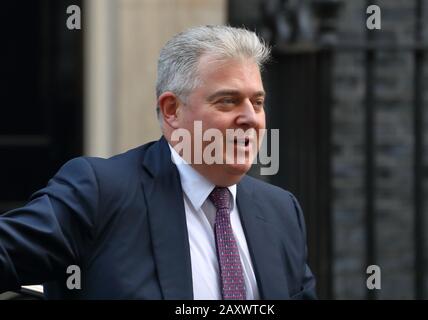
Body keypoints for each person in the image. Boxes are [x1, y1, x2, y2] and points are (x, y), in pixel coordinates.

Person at [0, 25, 316, 299]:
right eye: (228, 101)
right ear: (171, 110)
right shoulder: (99, 192)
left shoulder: (281, 211)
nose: (250, 118)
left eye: (257, 102)